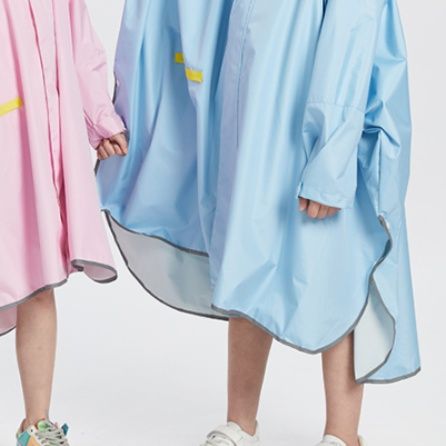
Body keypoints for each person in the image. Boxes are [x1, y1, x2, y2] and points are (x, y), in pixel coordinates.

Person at [97, 1, 420, 445]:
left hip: (326, 107)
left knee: (340, 265)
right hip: (256, 108)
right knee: (247, 249)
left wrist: (331, 153)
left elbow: (353, 31)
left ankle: (342, 433)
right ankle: (240, 422)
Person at [0, 1, 127, 444]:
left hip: (31, 149)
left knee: (37, 278)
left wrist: (100, 119)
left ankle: (36, 424)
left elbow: (80, 46)